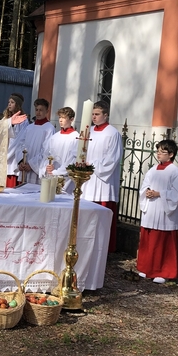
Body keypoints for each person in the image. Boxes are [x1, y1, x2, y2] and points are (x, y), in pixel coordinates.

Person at [135, 139, 178, 284]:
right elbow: (145, 185)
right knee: (148, 240)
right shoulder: (152, 169)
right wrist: (147, 191)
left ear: (171, 154)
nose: (158, 154)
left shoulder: (175, 172)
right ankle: (145, 268)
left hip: (164, 212)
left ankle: (163, 272)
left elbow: (177, 194)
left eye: (162, 152)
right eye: (157, 151)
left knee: (162, 242)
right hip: (151, 208)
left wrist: (159, 193)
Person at [81, 101, 123, 253]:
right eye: (92, 114)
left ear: (106, 115)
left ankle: (102, 250)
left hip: (103, 182)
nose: (94, 117)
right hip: (87, 181)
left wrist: (91, 164)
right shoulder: (88, 131)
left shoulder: (113, 133)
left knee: (102, 218)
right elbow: (78, 150)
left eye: (97, 114)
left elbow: (113, 159)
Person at [15, 98, 55, 185]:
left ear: (47, 111)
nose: (38, 112)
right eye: (36, 110)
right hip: (25, 167)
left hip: (36, 169)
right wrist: (21, 161)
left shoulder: (49, 128)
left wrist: (31, 165)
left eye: (41, 110)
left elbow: (47, 150)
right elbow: (20, 145)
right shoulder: (29, 127)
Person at [41, 106, 79, 194]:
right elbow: (46, 154)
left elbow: (73, 160)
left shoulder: (76, 137)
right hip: (52, 175)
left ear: (71, 119)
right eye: (59, 117)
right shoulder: (54, 137)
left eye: (64, 118)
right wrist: (48, 166)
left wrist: (58, 172)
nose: (60, 120)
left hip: (67, 178)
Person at [4, 93, 27, 187]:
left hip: (14, 157)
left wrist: (7, 154)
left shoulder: (23, 120)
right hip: (5, 152)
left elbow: (19, 140)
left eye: (12, 102)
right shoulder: (6, 118)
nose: (9, 104)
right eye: (8, 102)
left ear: (17, 104)